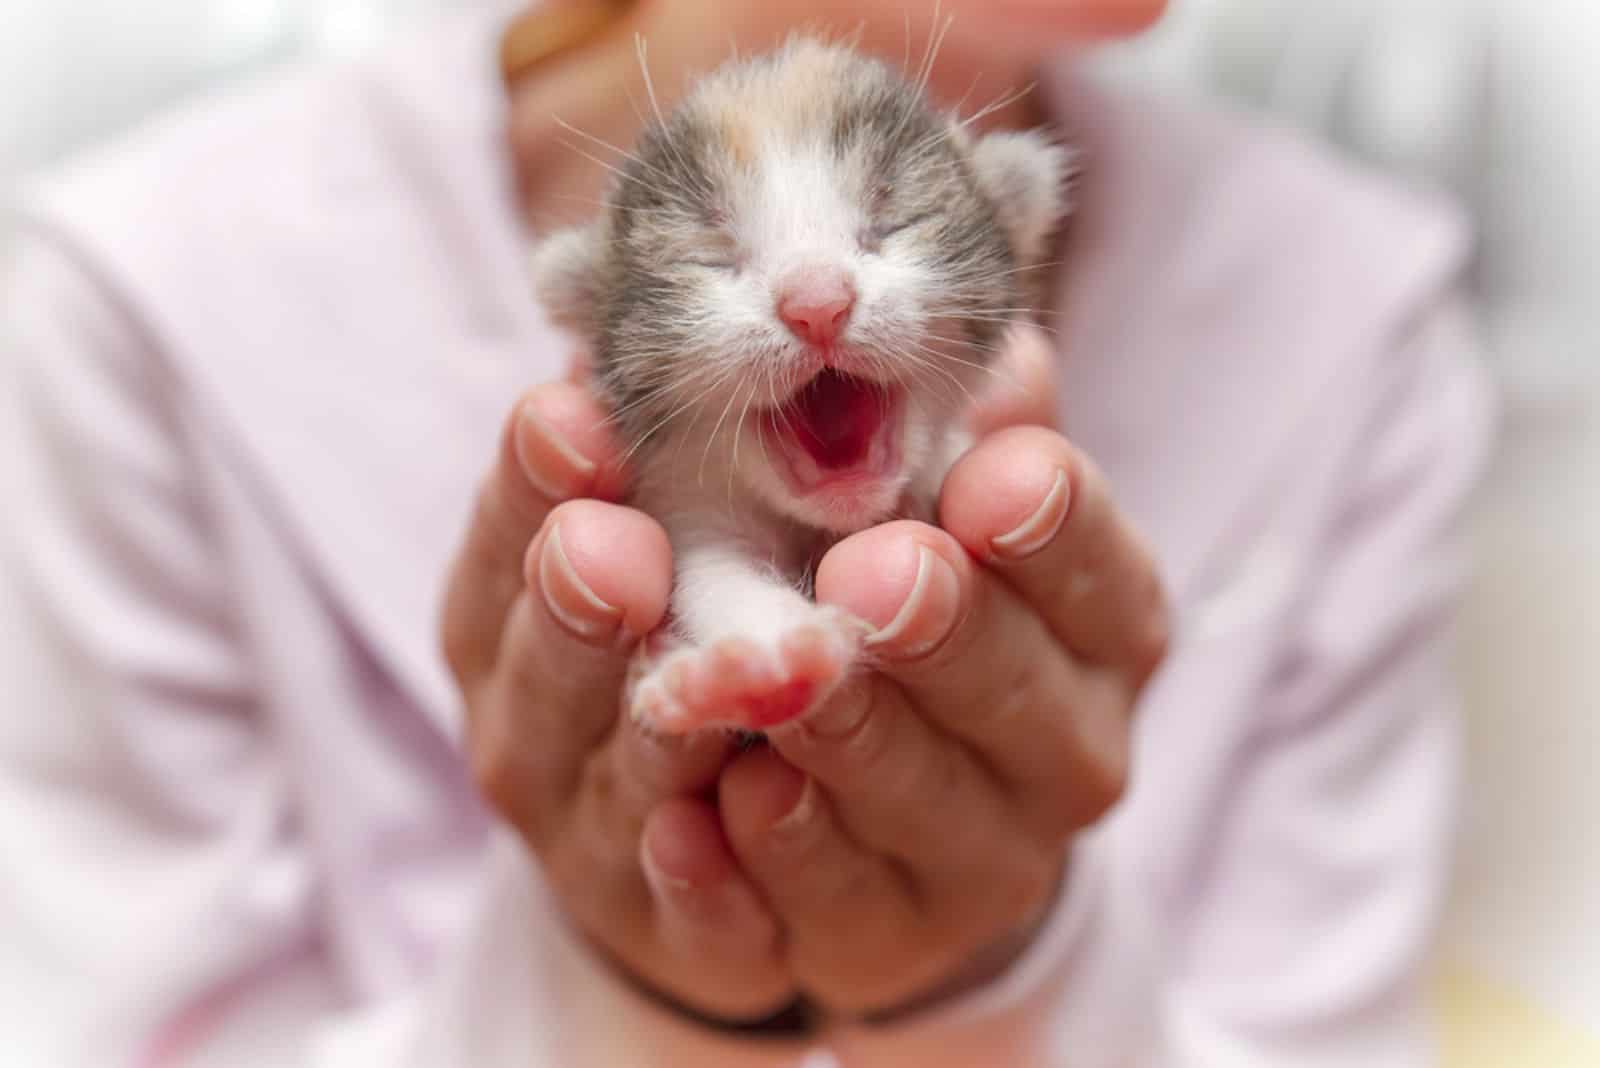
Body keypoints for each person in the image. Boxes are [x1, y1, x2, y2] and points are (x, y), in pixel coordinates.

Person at [0, 0, 1494, 1064]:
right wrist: (607, 1001)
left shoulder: (1362, 315)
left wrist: (1012, 986)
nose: (818, 301)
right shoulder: (129, 295)